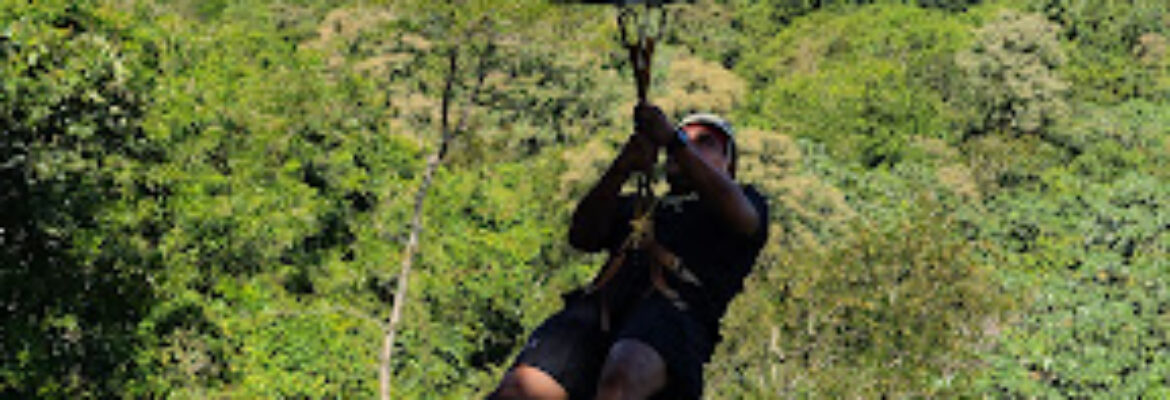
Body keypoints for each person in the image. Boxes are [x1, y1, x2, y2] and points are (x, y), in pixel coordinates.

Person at [490, 103, 769, 400]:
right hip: (598, 313)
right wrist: (622, 166)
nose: (688, 143)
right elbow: (582, 236)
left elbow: (742, 216)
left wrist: (674, 141)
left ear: (729, 166)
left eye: (705, 141)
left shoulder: (744, 204)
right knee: (517, 390)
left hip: (671, 320)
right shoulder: (641, 206)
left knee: (622, 377)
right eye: (684, 136)